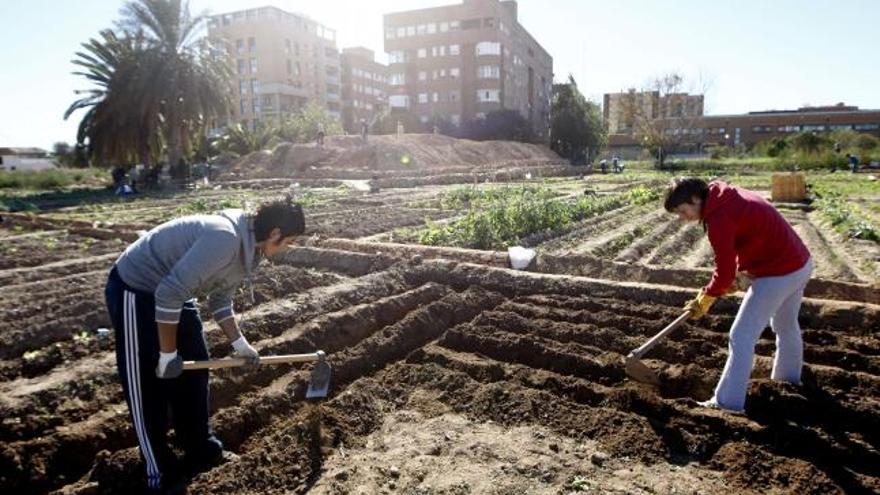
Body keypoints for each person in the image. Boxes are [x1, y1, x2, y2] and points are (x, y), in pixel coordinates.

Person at [104, 197, 305, 491]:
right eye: (290, 240)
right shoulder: (224, 238)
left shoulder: (250, 252)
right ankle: (159, 472)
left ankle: (201, 449)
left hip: (175, 292)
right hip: (137, 288)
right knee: (149, 384)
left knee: (195, 370)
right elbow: (167, 293)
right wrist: (167, 354)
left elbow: (220, 300)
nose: (289, 247)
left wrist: (240, 345)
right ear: (275, 233)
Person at [663, 177, 811, 414]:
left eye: (683, 211)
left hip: (778, 272)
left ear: (695, 199)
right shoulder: (726, 196)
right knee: (785, 325)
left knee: (741, 335)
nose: (684, 217)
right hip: (800, 264)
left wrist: (705, 298)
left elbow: (722, 274)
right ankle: (788, 380)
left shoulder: (719, 217)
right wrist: (739, 275)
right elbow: (751, 236)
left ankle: (727, 403)